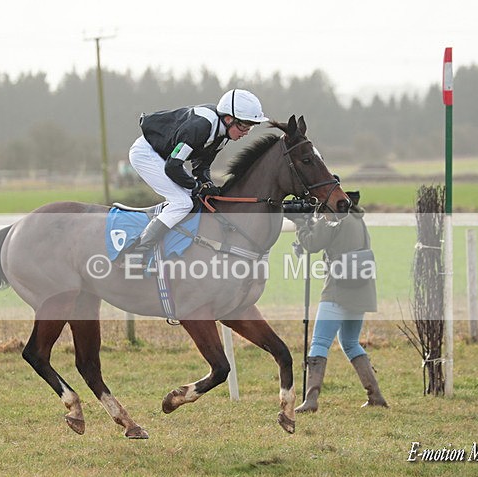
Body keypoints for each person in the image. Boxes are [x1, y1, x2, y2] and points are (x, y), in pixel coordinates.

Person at [125, 89, 268, 262]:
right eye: (244, 126)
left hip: (165, 157)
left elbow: (201, 165)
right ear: (229, 119)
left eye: (250, 127)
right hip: (146, 153)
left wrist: (206, 183)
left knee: (195, 199)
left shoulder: (222, 135)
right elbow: (173, 167)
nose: (246, 132)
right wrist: (196, 186)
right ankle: (138, 252)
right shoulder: (201, 127)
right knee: (183, 202)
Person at [294, 190, 388, 412]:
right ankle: (375, 396)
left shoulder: (333, 219)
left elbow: (311, 244)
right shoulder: (356, 218)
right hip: (361, 288)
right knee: (350, 342)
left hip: (338, 288)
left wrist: (300, 223)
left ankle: (311, 400)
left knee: (319, 343)